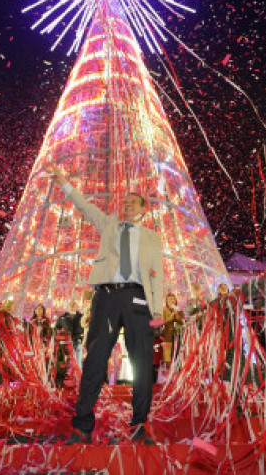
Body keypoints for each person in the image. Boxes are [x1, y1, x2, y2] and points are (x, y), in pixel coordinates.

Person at [48, 165, 164, 445]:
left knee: (141, 361)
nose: (127, 205)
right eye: (125, 202)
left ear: (144, 210)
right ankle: (82, 426)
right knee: (96, 359)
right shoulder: (109, 224)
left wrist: (158, 310)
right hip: (107, 296)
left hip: (138, 298)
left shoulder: (151, 238)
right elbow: (84, 206)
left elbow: (156, 274)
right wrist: (64, 182)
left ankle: (139, 425)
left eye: (133, 203)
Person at [161, 293, 184, 367]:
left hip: (177, 338)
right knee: (167, 359)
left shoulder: (179, 310)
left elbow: (182, 322)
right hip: (167, 338)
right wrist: (171, 316)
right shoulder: (164, 311)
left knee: (178, 357)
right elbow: (163, 322)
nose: (172, 300)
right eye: (170, 299)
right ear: (166, 301)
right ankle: (167, 375)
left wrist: (176, 314)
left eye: (173, 299)